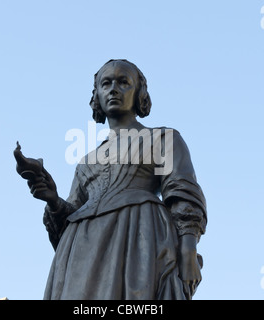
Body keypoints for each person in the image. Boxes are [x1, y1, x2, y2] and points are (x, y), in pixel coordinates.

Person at [14, 59, 207, 300]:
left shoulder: (163, 139)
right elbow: (68, 219)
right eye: (106, 83)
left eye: (123, 82)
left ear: (139, 93)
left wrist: (188, 250)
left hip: (137, 234)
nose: (113, 89)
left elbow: (182, 195)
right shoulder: (86, 161)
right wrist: (53, 199)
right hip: (81, 248)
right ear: (97, 95)